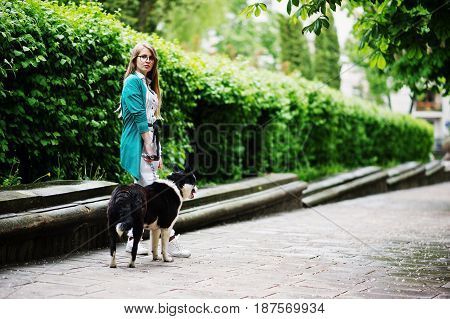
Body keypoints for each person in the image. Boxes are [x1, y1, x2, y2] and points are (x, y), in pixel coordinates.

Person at [118, 42, 190, 258]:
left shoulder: (148, 84)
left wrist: (157, 150)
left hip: (149, 139)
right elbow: (139, 116)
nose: (147, 60)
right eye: (143, 56)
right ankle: (169, 238)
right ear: (135, 59)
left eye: (150, 57)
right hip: (138, 141)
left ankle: (133, 239)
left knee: (145, 188)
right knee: (151, 189)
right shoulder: (132, 82)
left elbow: (153, 120)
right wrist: (149, 145)